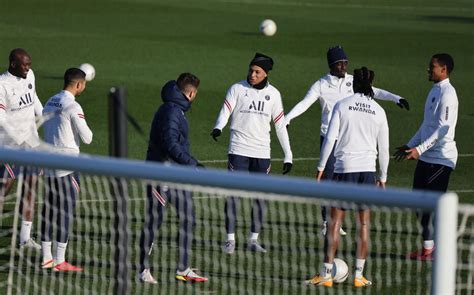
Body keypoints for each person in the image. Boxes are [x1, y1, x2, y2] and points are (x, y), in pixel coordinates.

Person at [285, 45, 408, 236]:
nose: (343, 66)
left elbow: (375, 91)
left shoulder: (353, 81)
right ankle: (327, 221)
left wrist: (396, 98)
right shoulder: (321, 85)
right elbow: (305, 103)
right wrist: (288, 118)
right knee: (328, 180)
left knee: (346, 180)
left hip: (349, 138)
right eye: (339, 63)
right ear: (331, 65)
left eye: (345, 63)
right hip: (329, 138)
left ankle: (339, 218)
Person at [305, 67, 389, 288]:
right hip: (367, 172)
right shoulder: (379, 111)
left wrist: (321, 167)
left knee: (334, 223)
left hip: (344, 170)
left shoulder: (342, 105)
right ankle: (359, 276)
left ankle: (325, 274)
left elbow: (330, 139)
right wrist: (383, 177)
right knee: (363, 224)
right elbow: (385, 148)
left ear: (354, 85)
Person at [210, 53, 293, 254]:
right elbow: (226, 110)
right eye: (251, 70)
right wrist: (218, 127)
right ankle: (230, 239)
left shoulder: (274, 94)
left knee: (260, 197)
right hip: (238, 149)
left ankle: (253, 240)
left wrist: (288, 155)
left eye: (257, 72)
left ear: (265, 74)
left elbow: (280, 126)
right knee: (233, 195)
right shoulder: (237, 89)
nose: (252, 74)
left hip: (262, 153)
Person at [138, 73, 208, 284]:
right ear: (191, 93)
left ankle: (184, 268)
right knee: (154, 221)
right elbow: (170, 143)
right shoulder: (172, 111)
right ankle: (143, 270)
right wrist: (192, 164)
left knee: (188, 217)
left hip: (176, 173)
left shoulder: (175, 109)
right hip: (161, 174)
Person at [394, 53, 458, 261]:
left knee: (436, 206)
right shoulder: (434, 90)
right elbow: (426, 125)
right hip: (427, 157)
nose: (428, 70)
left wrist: (419, 150)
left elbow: (442, 131)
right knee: (419, 203)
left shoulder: (448, 94)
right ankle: (428, 248)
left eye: (432, 67)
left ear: (444, 70)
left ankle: (443, 249)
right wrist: (410, 145)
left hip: (441, 159)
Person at [40, 68, 92, 272]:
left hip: (48, 161)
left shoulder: (50, 101)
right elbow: (88, 138)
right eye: (84, 84)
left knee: (49, 209)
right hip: (67, 165)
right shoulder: (73, 106)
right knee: (65, 211)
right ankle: (59, 260)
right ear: (78, 84)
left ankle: (46, 257)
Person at [0, 48, 43, 250]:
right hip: (9, 146)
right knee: (3, 190)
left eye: (30, 64)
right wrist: (17, 137)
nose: (28, 68)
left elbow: (33, 98)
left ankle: (25, 238)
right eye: (25, 65)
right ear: (13, 64)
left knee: (30, 188)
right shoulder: (2, 84)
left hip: (31, 144)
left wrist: (44, 118)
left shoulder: (30, 75)